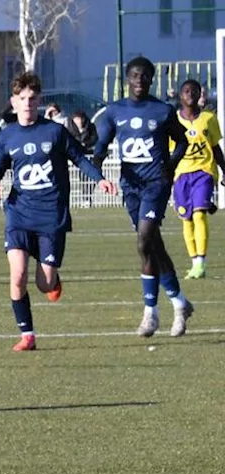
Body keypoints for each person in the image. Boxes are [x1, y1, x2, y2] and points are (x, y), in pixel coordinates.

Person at [0, 72, 116, 352]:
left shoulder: (54, 132)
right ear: (14, 102)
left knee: (44, 284)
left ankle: (52, 277)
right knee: (17, 274)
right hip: (19, 212)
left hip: (51, 216)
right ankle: (27, 335)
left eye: (32, 98)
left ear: (39, 100)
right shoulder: (7, 136)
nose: (28, 103)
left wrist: (99, 178)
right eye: (22, 99)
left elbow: (79, 158)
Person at [95, 56, 194, 337]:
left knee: (144, 240)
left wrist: (170, 167)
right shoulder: (114, 111)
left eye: (145, 76)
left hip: (155, 185)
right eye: (135, 76)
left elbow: (183, 141)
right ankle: (180, 302)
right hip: (131, 186)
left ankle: (150, 314)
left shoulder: (162, 110)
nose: (140, 80)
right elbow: (102, 144)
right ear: (126, 79)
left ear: (152, 80)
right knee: (153, 245)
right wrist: (96, 169)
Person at [171, 78, 225, 279]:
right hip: (181, 175)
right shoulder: (173, 121)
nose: (191, 94)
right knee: (186, 219)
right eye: (186, 91)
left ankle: (201, 262)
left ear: (200, 94)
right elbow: (170, 152)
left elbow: (215, 148)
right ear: (180, 95)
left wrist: (224, 170)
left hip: (204, 172)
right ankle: (194, 262)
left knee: (199, 214)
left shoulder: (209, 119)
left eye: (195, 91)